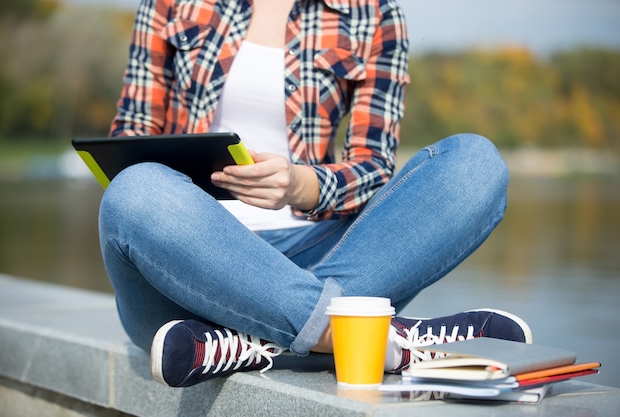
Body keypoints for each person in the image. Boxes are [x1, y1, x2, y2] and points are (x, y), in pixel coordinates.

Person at [99, 0, 532, 388]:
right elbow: (130, 140)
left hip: (312, 254)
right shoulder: (168, 3)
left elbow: (374, 166)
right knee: (134, 191)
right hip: (184, 266)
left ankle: (239, 340)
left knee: (475, 164)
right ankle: (377, 338)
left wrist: (301, 185)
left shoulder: (374, 13)